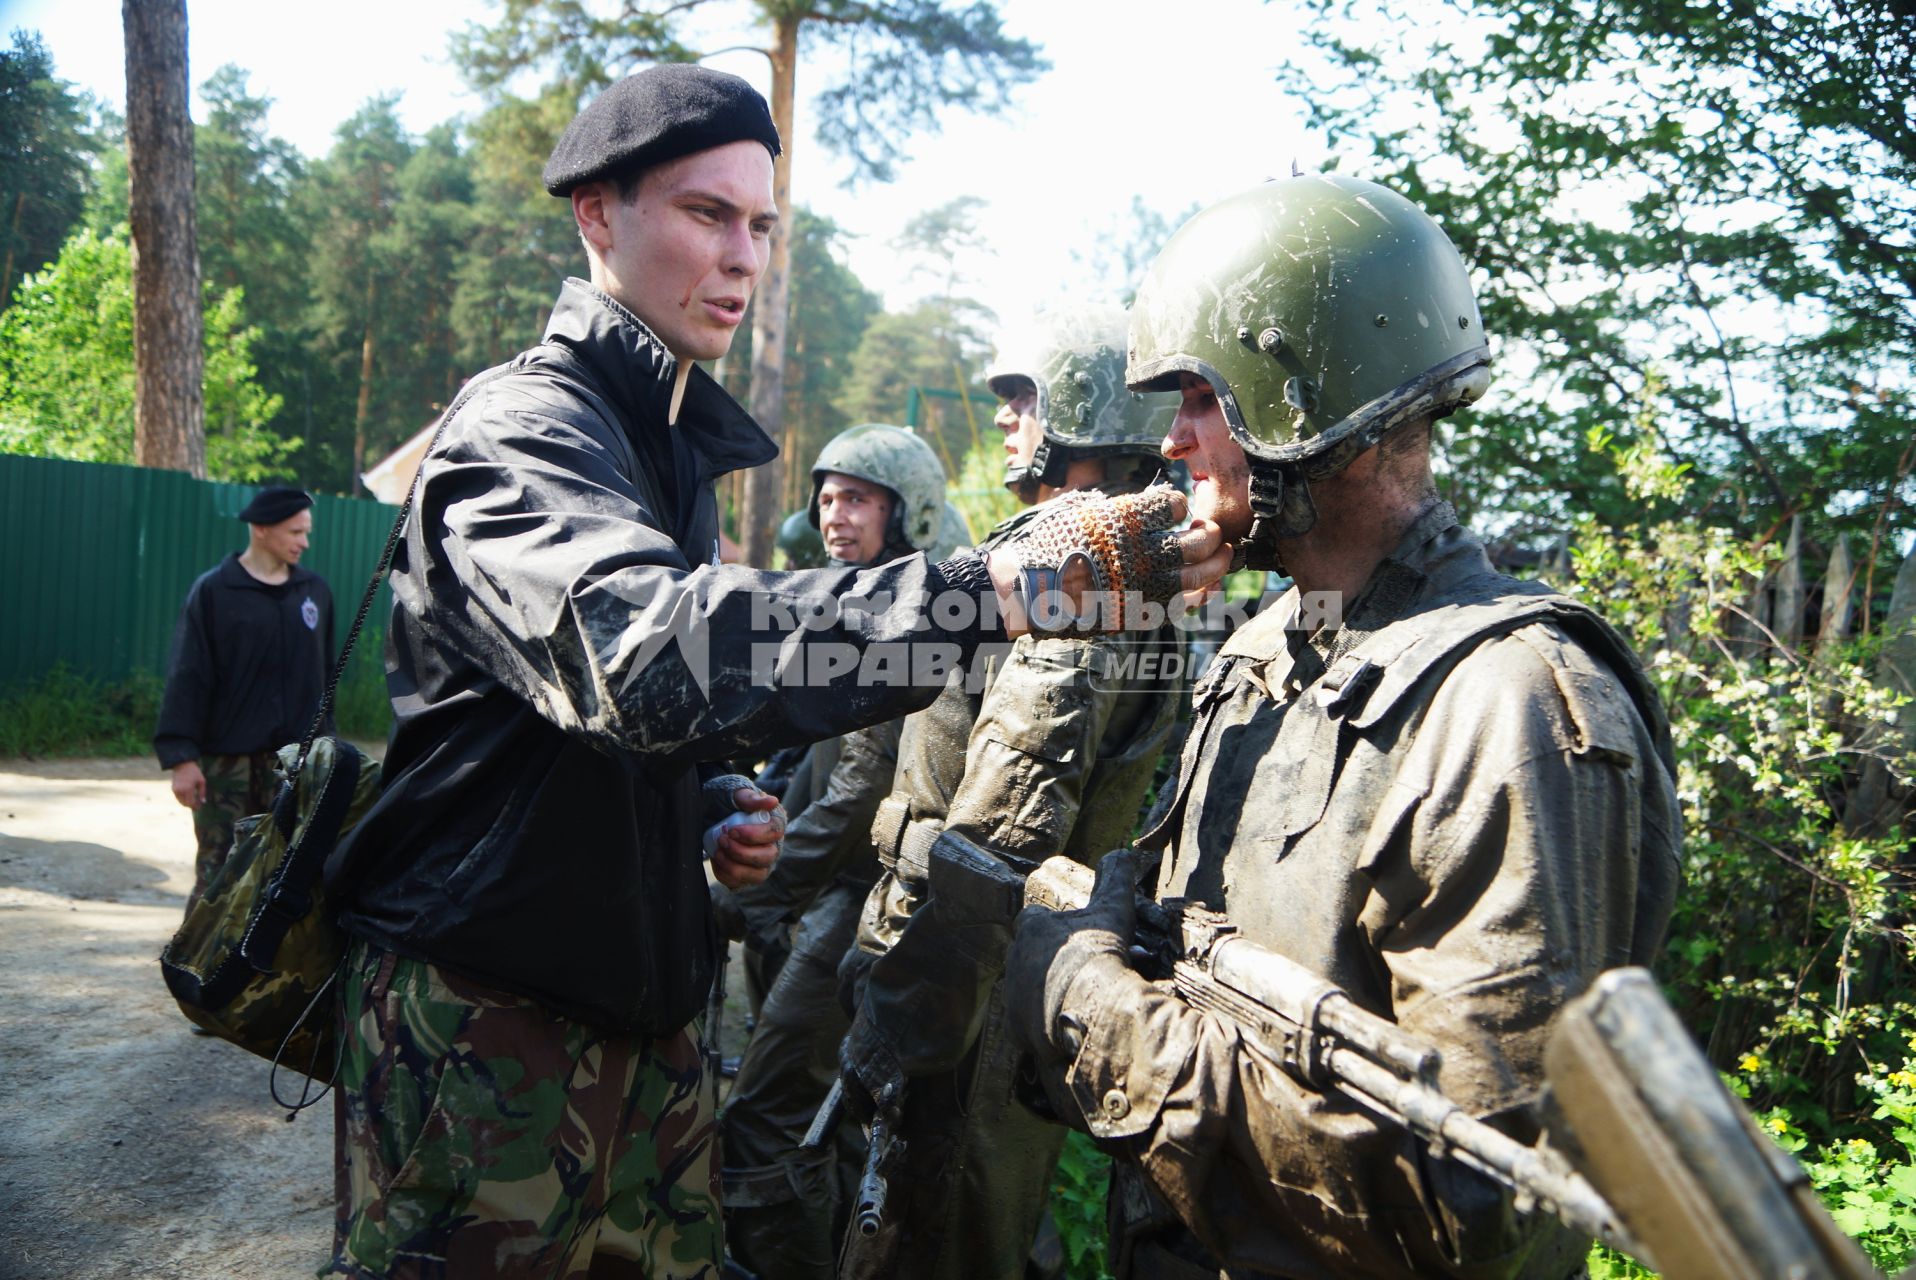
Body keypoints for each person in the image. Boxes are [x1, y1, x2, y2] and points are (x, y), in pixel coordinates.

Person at [321, 64, 1227, 1280]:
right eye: (706, 214)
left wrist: (700, 803)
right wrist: (1003, 589)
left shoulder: (663, 448)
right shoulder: (526, 428)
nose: (743, 258)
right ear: (598, 213)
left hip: (640, 1028)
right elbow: (648, 658)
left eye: (760, 226)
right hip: (489, 1025)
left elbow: (600, 723)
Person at [1003, 175, 1684, 1280]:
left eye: (1198, 398)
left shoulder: (1509, 702)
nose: (1171, 441)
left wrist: (1091, 1007)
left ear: (1313, 406)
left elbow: (1482, 1209)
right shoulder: (1266, 648)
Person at [835, 306, 1187, 1280]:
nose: (1003, 420)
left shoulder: (1084, 570)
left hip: (968, 1004)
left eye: (1022, 397)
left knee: (924, 1241)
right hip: (962, 981)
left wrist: (899, 1032)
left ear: (1083, 411)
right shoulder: (1078, 555)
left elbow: (1000, 832)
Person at [717, 423, 950, 1280]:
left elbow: (857, 791)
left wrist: (753, 890)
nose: (833, 515)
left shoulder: (907, 614)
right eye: (826, 498)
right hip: (831, 891)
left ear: (906, 510)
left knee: (764, 1114)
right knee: (833, 1118)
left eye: (856, 497)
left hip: (864, 902)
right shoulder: (854, 602)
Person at [155, 484, 334, 913]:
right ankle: (196, 974)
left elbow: (326, 679)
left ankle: (266, 979)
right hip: (226, 765)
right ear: (260, 529)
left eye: (306, 532)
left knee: (289, 876)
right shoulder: (215, 591)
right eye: (294, 532)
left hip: (292, 764)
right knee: (220, 875)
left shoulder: (314, 593)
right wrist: (182, 757)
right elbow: (188, 674)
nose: (304, 542)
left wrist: (326, 752)